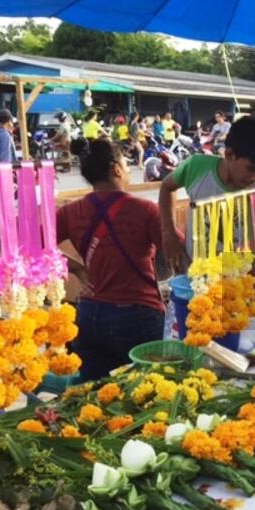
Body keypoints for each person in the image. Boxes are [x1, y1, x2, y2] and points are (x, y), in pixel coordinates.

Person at [57, 138, 164, 380]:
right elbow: (179, 248)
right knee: (142, 392)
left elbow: (37, 246)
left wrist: (77, 269)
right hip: (137, 316)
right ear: (116, 168)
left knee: (96, 394)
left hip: (90, 314)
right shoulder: (145, 210)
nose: (128, 173)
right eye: (126, 166)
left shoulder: (69, 212)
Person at [159, 115, 255, 271]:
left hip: (240, 282)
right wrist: (169, 233)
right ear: (229, 155)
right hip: (195, 276)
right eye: (251, 168)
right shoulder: (197, 167)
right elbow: (166, 187)